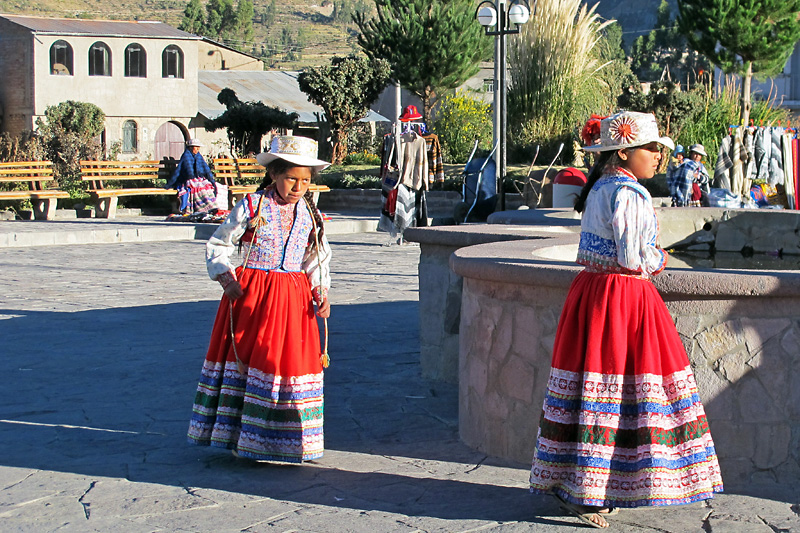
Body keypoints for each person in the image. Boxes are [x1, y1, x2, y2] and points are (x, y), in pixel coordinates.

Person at [528, 112, 723, 529]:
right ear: (624, 151)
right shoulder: (630, 194)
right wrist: (663, 258)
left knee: (594, 388)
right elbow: (635, 257)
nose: (658, 157)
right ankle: (594, 490)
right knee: (618, 388)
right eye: (651, 149)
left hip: (593, 294)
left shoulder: (600, 188)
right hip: (623, 299)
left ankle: (581, 486)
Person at [187, 135, 332, 463]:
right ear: (274, 175)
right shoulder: (253, 206)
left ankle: (289, 440)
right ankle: (241, 436)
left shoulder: (311, 213)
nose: (298, 187)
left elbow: (316, 256)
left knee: (289, 362)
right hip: (254, 296)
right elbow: (220, 242)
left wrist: (320, 292)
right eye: (291, 178)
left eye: (305, 180)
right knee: (253, 360)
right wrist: (226, 276)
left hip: (294, 299)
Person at [166, 138, 218, 214]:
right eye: (196, 147)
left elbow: (205, 168)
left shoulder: (198, 156)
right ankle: (201, 208)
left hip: (198, 178)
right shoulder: (186, 156)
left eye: (198, 147)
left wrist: (211, 180)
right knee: (196, 188)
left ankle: (211, 206)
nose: (197, 149)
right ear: (190, 147)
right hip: (187, 179)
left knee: (208, 186)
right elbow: (185, 170)